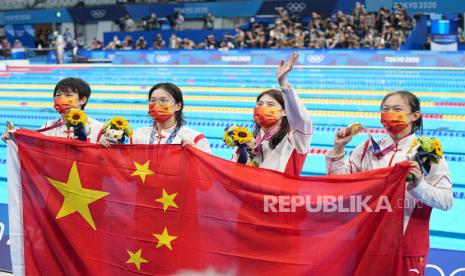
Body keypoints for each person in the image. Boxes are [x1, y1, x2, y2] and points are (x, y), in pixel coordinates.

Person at [325, 91, 453, 275]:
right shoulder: (367, 148)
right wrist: (338, 149)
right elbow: (339, 184)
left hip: (406, 246)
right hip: (366, 240)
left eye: (397, 109)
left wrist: (419, 185)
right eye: (385, 109)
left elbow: (446, 200)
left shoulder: (427, 152)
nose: (389, 113)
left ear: (415, 115)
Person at [237, 53, 312, 175]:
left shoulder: (294, 139)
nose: (263, 108)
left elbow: (302, 120)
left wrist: (283, 84)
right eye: (260, 103)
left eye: (270, 105)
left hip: (280, 194)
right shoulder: (248, 140)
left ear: (284, 111)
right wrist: (242, 154)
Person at [100, 83, 210, 153]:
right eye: (152, 100)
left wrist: (197, 155)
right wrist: (107, 149)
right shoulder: (137, 135)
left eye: (163, 100)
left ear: (178, 106)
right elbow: (122, 168)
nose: (156, 105)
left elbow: (209, 180)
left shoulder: (195, 139)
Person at [2, 78, 103, 143]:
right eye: (58, 95)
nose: (61, 99)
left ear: (82, 100)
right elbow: (34, 152)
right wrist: (12, 139)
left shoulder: (98, 129)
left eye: (68, 95)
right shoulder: (48, 127)